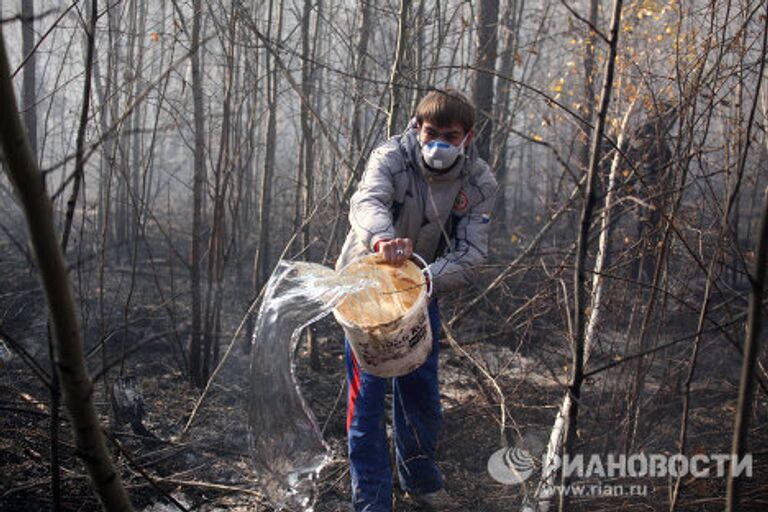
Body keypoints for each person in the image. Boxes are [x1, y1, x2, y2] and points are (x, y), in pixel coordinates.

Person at [335, 88, 498, 512]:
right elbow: (366, 200)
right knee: (366, 401)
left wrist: (427, 278)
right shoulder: (390, 157)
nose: (439, 143)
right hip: (365, 289)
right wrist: (382, 238)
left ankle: (421, 481)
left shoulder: (477, 180)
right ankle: (371, 500)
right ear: (417, 127)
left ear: (468, 135)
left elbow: (472, 254)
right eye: (431, 133)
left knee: (421, 393)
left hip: (422, 291)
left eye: (451, 135)